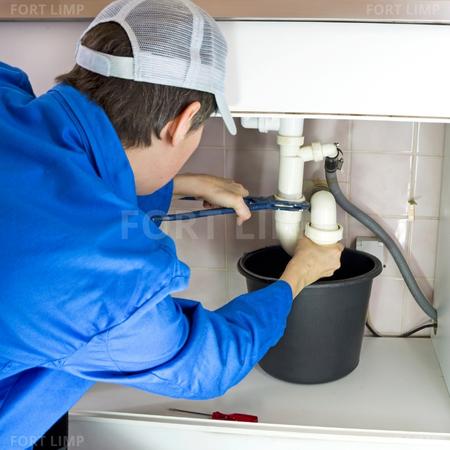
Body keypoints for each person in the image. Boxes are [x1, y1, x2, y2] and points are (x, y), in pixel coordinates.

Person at [0, 0, 343, 448]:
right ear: (182, 124)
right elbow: (208, 365)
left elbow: (50, 190)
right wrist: (298, 275)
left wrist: (178, 183)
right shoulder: (103, 281)